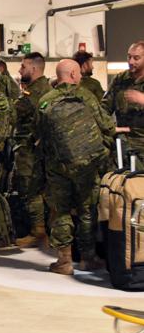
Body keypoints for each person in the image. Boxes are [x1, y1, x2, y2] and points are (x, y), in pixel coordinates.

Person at [37, 59, 115, 274]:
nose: (80, 77)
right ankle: (88, 258)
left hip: (57, 165)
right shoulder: (86, 96)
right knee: (86, 209)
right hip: (86, 165)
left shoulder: (45, 100)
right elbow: (107, 124)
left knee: (60, 210)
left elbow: (40, 134)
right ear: (72, 74)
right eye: (79, 73)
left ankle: (64, 261)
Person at [12, 52, 52, 248]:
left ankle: (38, 232)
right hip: (41, 149)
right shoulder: (47, 88)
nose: (20, 70)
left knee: (30, 189)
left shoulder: (33, 93)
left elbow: (13, 113)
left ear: (34, 69)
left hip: (29, 149)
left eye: (23, 67)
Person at [103, 41, 144, 168]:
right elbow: (104, 108)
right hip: (122, 143)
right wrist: (111, 128)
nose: (131, 61)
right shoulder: (120, 79)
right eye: (129, 57)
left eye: (136, 58)